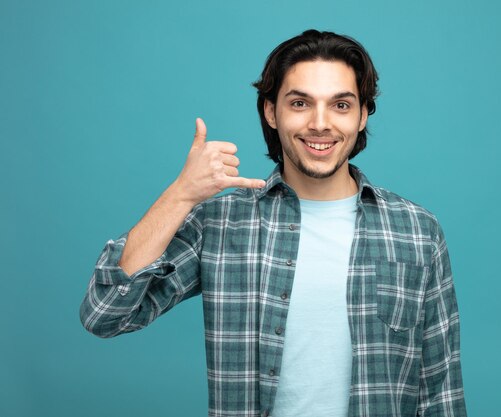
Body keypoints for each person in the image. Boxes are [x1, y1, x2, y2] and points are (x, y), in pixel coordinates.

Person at [80, 29, 467, 417]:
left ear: (363, 115)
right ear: (271, 111)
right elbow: (106, 313)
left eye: (341, 105)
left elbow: (440, 391)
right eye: (300, 103)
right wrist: (181, 194)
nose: (320, 123)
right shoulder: (222, 222)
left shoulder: (417, 231)